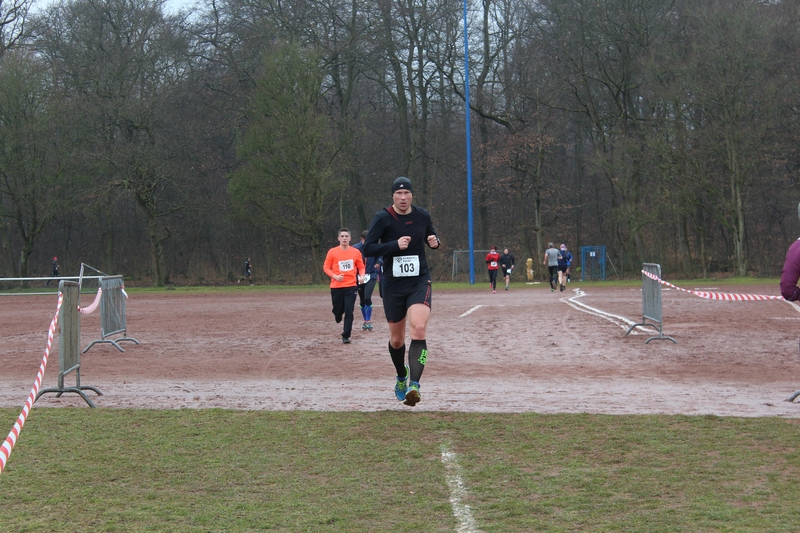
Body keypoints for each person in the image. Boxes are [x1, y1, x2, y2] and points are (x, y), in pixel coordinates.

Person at [362, 176, 440, 407]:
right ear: (393, 196)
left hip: (419, 281)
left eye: (407, 193)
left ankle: (414, 385)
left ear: (412, 195)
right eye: (399, 193)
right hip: (393, 285)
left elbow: (431, 236)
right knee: (396, 340)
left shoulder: (422, 215)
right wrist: (394, 245)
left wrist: (435, 242)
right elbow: (368, 249)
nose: (403, 198)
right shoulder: (383, 218)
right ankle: (401, 375)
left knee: (419, 328)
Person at [323, 228, 365, 344]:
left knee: (349, 310)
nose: (344, 238)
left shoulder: (356, 252)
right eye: (342, 236)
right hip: (336, 286)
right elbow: (326, 267)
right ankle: (337, 315)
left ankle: (346, 335)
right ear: (339, 238)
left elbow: (361, 267)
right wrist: (335, 276)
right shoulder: (332, 252)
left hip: (351, 286)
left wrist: (362, 276)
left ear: (350, 238)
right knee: (338, 310)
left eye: (346, 236)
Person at [352, 230, 381, 331]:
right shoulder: (355, 248)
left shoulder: (374, 247)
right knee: (362, 299)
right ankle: (365, 320)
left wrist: (378, 263)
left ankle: (368, 320)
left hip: (371, 274)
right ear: (362, 238)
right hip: (359, 276)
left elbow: (380, 256)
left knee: (367, 296)